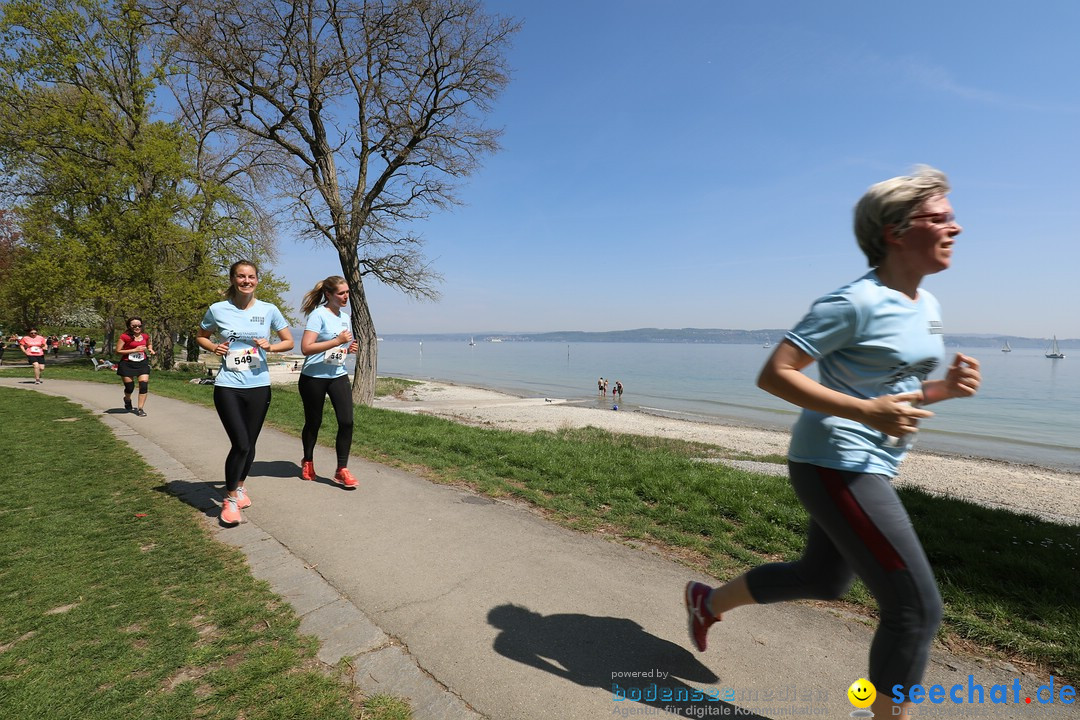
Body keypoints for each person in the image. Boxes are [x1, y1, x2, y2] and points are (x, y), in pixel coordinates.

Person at [683, 166, 981, 720]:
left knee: (821, 578)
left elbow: (892, 389)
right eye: (940, 217)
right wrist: (865, 411)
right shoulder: (853, 302)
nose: (956, 227)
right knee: (915, 609)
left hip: (871, 460)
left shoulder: (928, 306)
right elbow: (775, 373)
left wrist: (945, 389)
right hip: (834, 461)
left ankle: (707, 601)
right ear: (895, 230)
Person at [196, 260, 293, 526]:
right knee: (240, 443)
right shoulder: (218, 309)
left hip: (259, 386)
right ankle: (229, 500)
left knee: (249, 444)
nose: (246, 281)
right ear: (232, 279)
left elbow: (289, 341)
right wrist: (213, 346)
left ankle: (239, 486)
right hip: (228, 386)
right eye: (241, 276)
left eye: (251, 277)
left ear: (257, 280)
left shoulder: (269, 310)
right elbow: (201, 336)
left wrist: (270, 347)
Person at [297, 275, 360, 488]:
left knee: (347, 421)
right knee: (314, 422)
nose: (346, 297)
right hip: (313, 378)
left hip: (337, 374)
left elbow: (337, 348)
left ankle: (342, 469)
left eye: (348, 293)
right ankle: (307, 460)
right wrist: (337, 341)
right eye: (341, 293)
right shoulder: (318, 315)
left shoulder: (345, 317)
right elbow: (306, 348)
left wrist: (347, 349)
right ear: (329, 295)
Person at [115, 317, 156, 416]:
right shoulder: (125, 337)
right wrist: (134, 350)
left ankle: (140, 409)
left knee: (144, 385)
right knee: (130, 387)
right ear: (130, 326)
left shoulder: (145, 336)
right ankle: (127, 399)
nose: (137, 327)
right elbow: (118, 351)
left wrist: (150, 349)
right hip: (127, 364)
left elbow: (148, 344)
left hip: (142, 363)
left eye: (139, 325)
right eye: (134, 326)